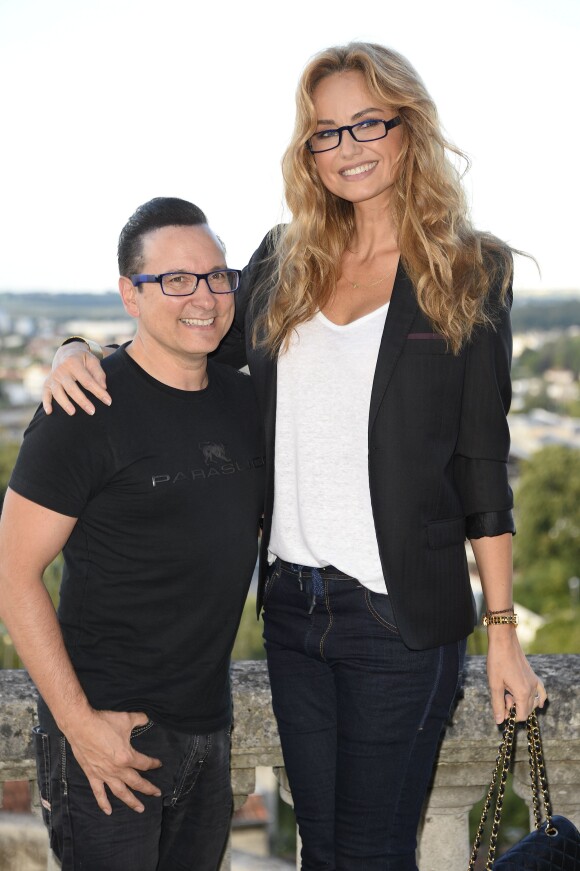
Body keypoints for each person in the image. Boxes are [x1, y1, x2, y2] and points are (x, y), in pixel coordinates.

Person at [43, 43, 547, 871]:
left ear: (407, 127)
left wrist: (501, 631)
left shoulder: (468, 268)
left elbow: (482, 464)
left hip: (400, 617)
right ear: (306, 149)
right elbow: (184, 336)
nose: (346, 147)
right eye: (324, 133)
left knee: (372, 851)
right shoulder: (287, 258)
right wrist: (76, 348)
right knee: (320, 847)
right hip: (293, 612)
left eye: (365, 123)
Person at [0, 197, 265, 871]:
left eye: (215, 276)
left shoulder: (246, 402)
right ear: (130, 295)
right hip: (106, 740)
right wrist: (79, 724)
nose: (202, 296)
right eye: (175, 280)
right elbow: (11, 572)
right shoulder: (84, 408)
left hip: (209, 732)